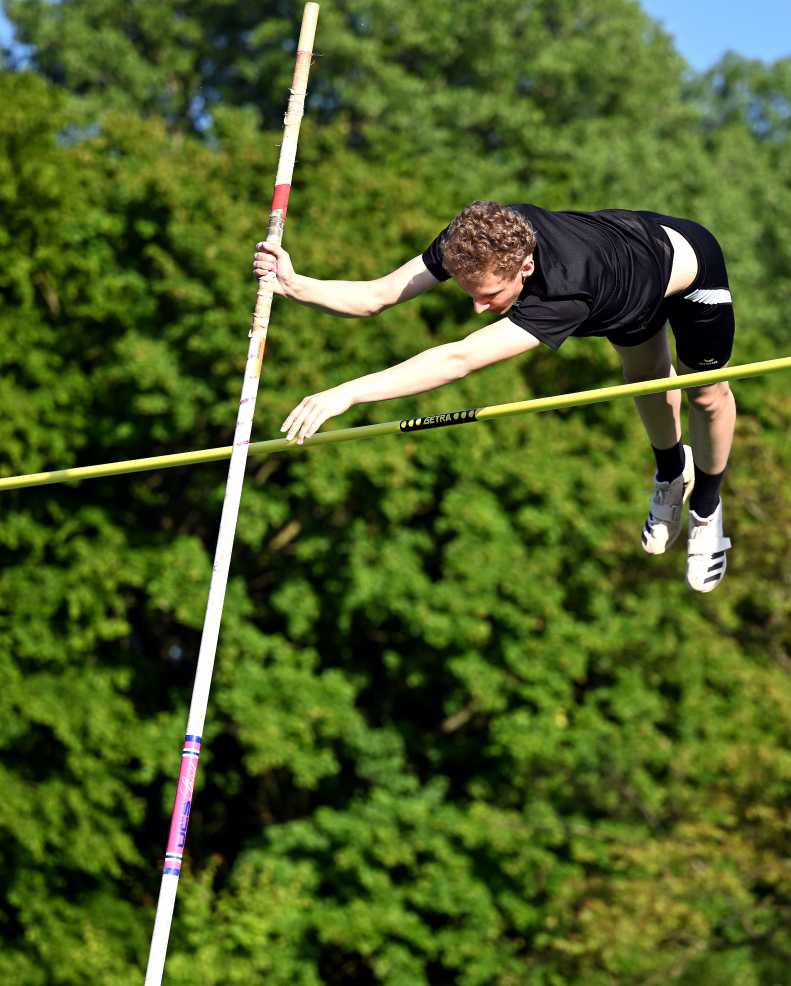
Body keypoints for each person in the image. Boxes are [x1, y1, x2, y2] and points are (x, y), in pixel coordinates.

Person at [253, 201, 735, 593]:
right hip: (623, 286)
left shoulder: (565, 291)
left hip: (686, 270)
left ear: (526, 267)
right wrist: (295, 285)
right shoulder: (471, 238)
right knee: (645, 376)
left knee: (704, 395)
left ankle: (707, 507)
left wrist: (347, 394)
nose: (479, 308)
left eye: (490, 296)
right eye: (471, 293)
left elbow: (457, 360)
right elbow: (378, 296)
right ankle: (672, 473)